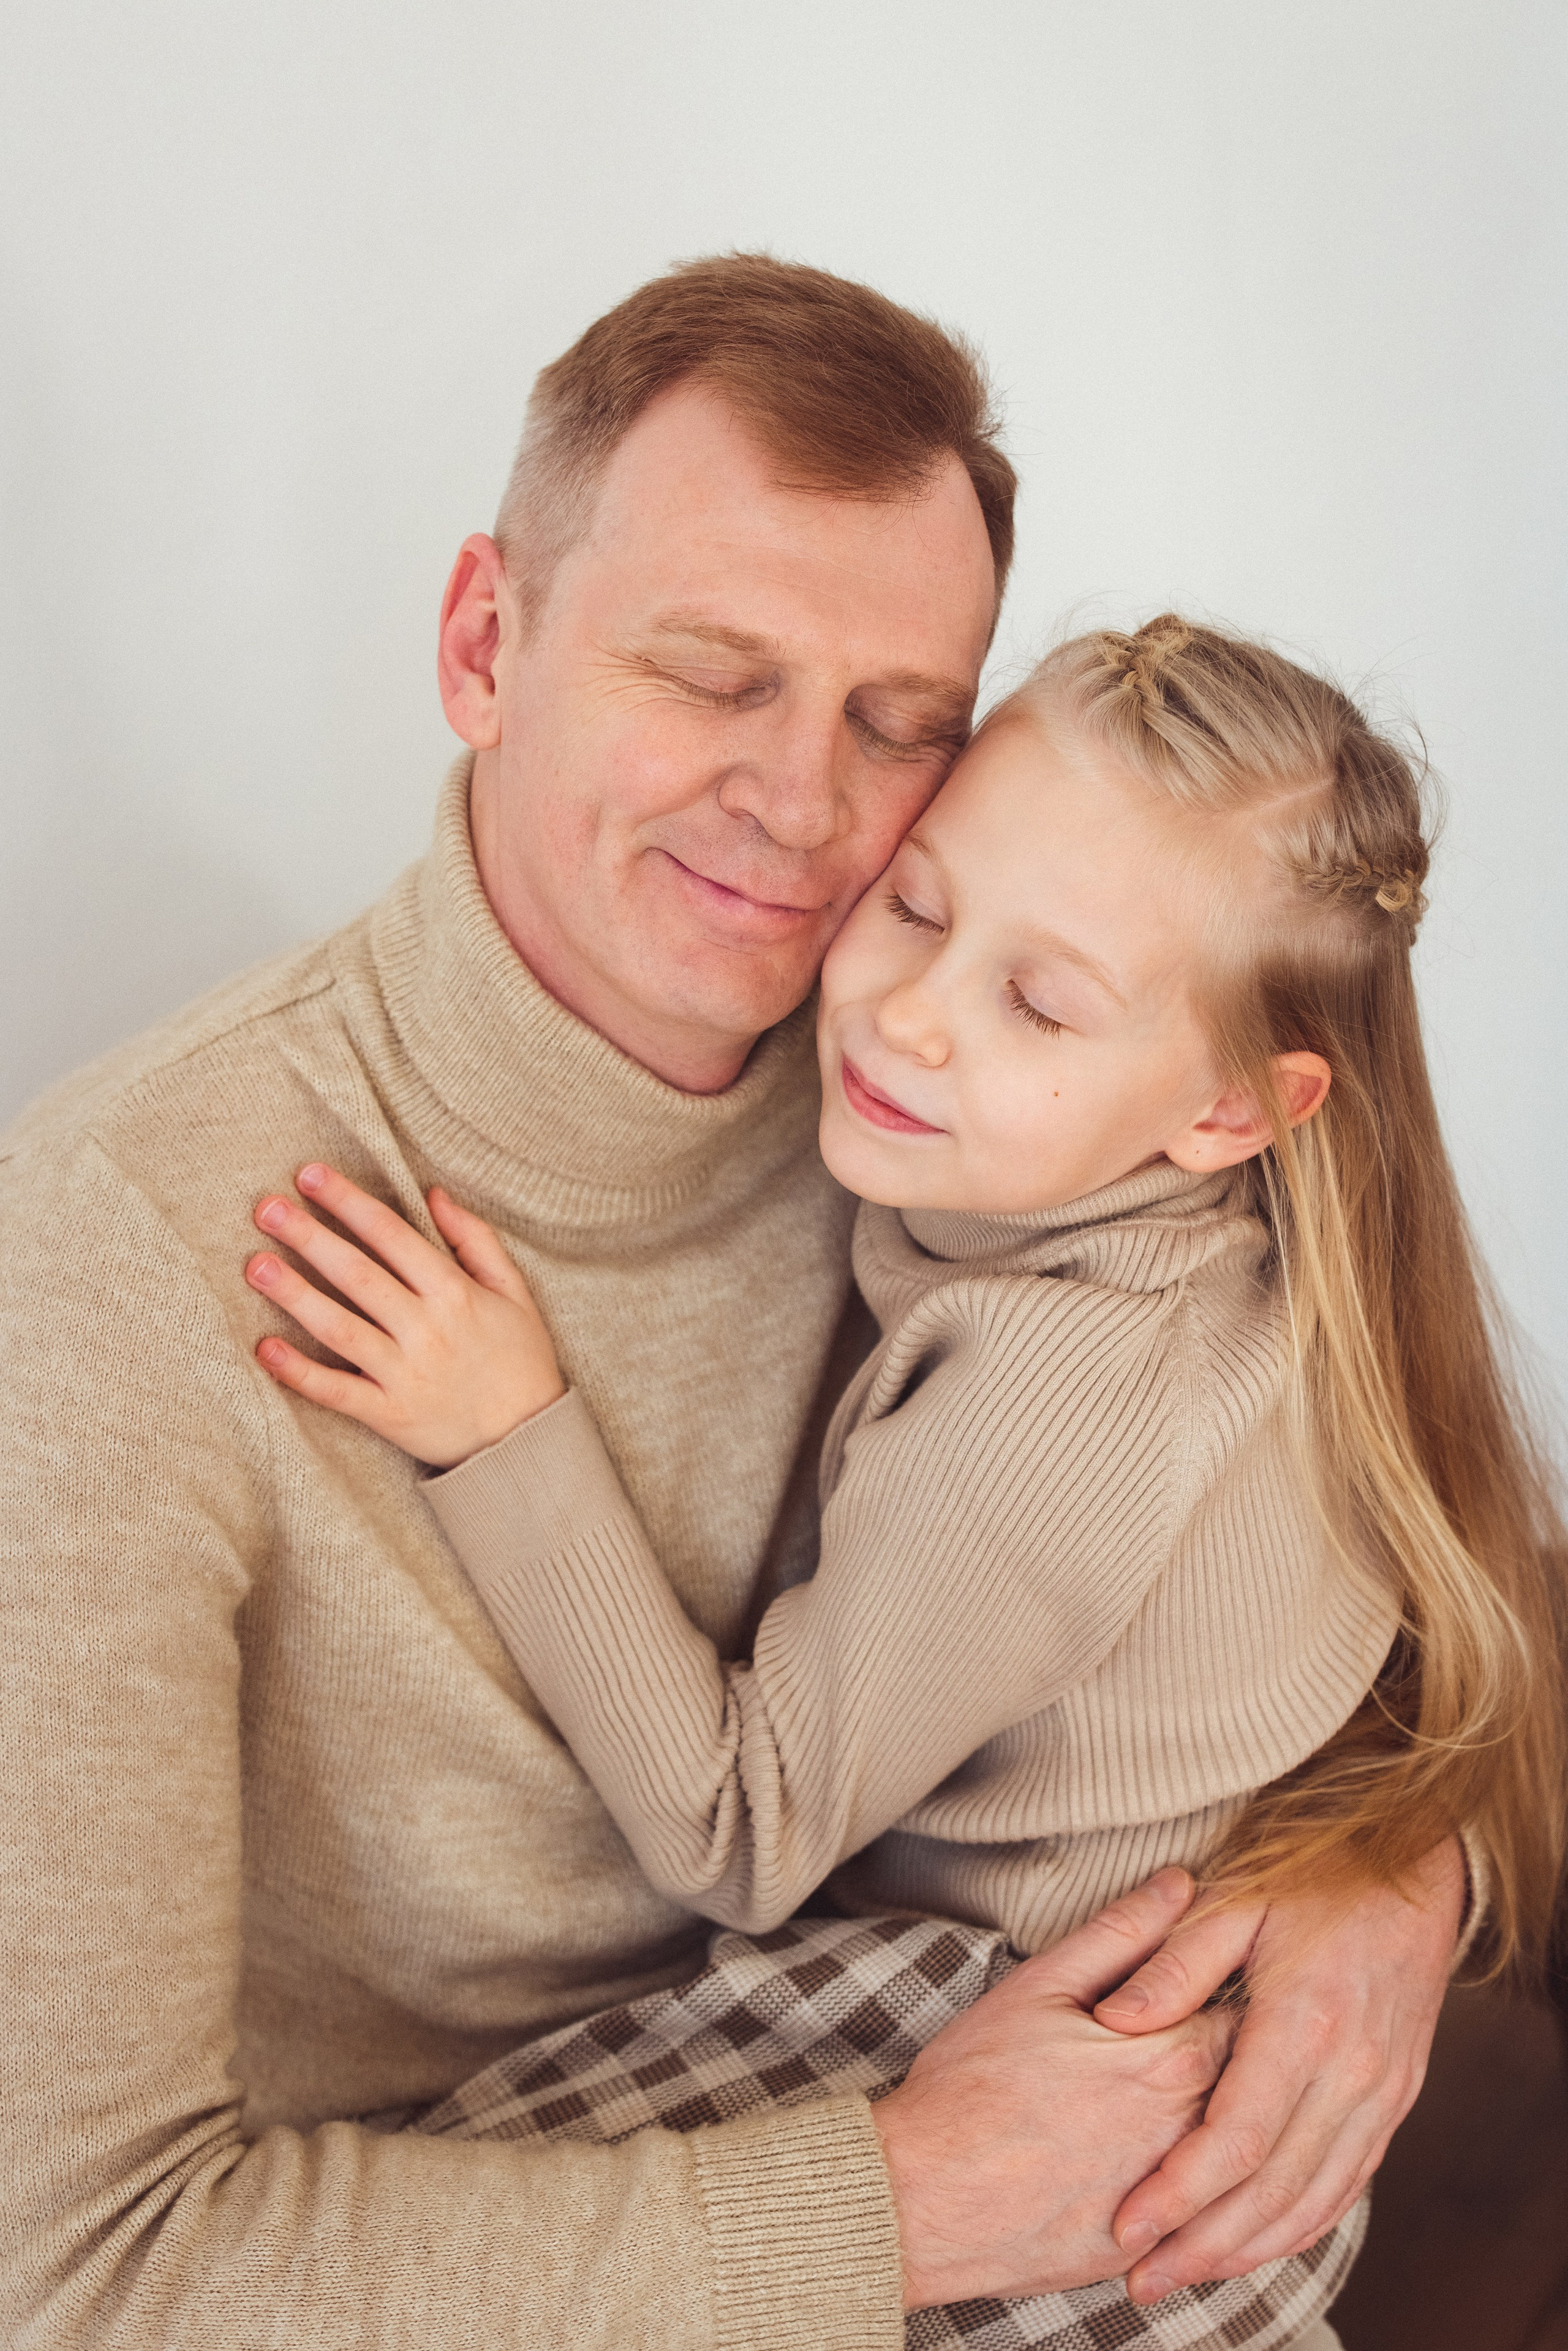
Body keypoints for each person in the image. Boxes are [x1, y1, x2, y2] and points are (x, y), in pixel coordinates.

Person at [0, 258, 1474, 2350]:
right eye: (711, 674)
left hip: (1012, 2089)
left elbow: (1383, 1527)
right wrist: (889, 2211)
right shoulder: (108, 1253)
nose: (804, 813)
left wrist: (1382, 1874)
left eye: (900, 728)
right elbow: (76, 2277)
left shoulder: (977, 1108)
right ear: (482, 645)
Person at [240, 620, 1567, 2351]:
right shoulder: (1211, 1230)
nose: (910, 1019)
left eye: (1039, 1000)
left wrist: (505, 1430)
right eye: (923, 905)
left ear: (1237, 1108)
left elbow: (745, 1824)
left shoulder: (1049, 1408)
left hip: (1046, 2076)